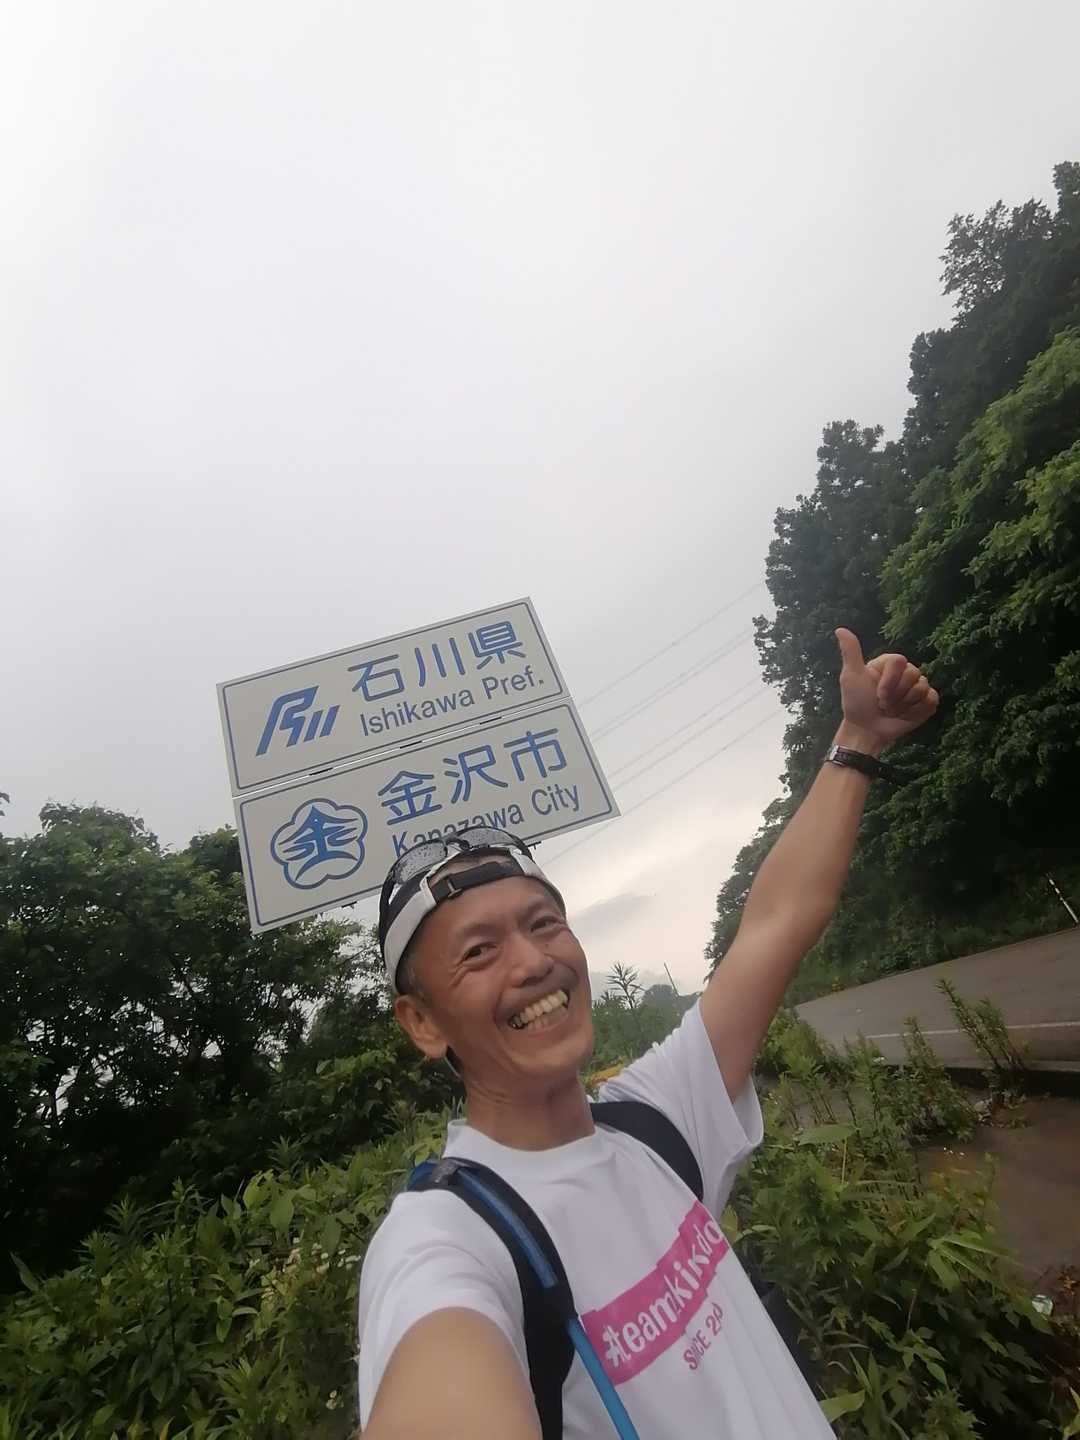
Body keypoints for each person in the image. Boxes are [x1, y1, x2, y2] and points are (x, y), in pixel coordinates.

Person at [356, 628, 939, 1438]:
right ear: (421, 1021)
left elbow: (775, 922)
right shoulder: (445, 1240)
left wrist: (860, 739)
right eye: (479, 952)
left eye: (544, 923)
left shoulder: (652, 1122)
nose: (534, 962)